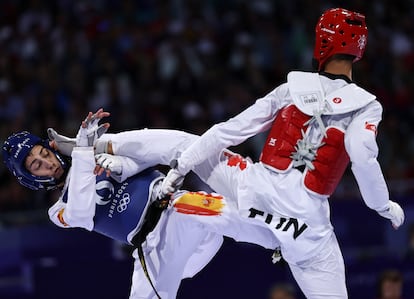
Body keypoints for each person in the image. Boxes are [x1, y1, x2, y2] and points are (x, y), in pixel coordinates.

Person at [160, 7, 405, 298]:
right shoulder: (366, 106)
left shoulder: (291, 89)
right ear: (359, 49)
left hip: (254, 193)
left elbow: (229, 130)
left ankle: (115, 157)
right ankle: (189, 207)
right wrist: (382, 205)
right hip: (305, 228)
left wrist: (180, 168)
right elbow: (361, 155)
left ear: (321, 41)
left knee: (183, 146)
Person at [2, 109, 278, 299]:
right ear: (31, 179)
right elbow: (81, 211)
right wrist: (84, 151)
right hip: (154, 247)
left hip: (175, 210)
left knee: (200, 206)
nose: (46, 162)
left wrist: (122, 164)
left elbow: (152, 154)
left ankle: (280, 238)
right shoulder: (58, 211)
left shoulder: (96, 151)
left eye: (43, 153)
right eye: (36, 165)